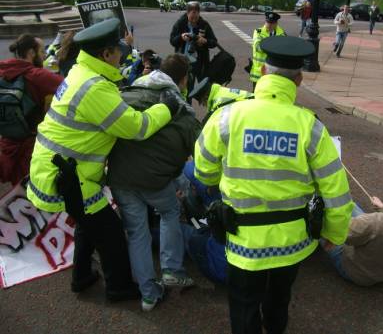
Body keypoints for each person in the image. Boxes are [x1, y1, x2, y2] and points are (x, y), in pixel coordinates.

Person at [194, 36, 353, 334]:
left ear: (263, 72)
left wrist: (218, 182)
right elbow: (337, 192)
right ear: (299, 79)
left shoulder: (227, 117)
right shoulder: (311, 126)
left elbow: (203, 171)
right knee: (279, 301)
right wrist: (334, 234)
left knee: (243, 305)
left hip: (243, 240)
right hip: (291, 242)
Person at [26, 18, 180, 301]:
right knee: (110, 234)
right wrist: (167, 108)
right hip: (70, 176)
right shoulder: (95, 88)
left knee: (88, 223)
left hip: (56, 167)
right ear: (106, 54)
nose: (123, 53)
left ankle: (81, 277)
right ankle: (119, 288)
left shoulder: (81, 71)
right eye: (118, 49)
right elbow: (137, 127)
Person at [107, 53, 200, 311]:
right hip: (155, 181)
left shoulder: (125, 95)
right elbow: (203, 153)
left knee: (137, 233)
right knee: (170, 210)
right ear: (182, 81)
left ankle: (148, 294)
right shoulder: (183, 112)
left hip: (121, 178)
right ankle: (171, 268)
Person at [0, 34, 63, 186]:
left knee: (15, 195)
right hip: (31, 146)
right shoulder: (36, 75)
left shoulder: (3, 70)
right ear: (31, 53)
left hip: (7, 141)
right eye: (41, 52)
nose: (44, 56)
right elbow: (71, 86)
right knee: (31, 191)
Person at [169, 1, 218, 93]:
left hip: (200, 62)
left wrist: (205, 41)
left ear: (199, 13)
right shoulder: (180, 23)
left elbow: (214, 42)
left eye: (196, 17)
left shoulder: (204, 24)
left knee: (205, 90)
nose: (194, 20)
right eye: (192, 17)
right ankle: (187, 106)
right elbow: (172, 41)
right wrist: (181, 37)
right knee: (187, 90)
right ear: (187, 13)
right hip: (183, 62)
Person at [249, 12, 286, 91]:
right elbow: (258, 47)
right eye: (267, 22)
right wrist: (275, 47)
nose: (269, 25)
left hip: (274, 73)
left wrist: (268, 46)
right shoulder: (258, 32)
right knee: (256, 96)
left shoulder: (282, 34)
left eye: (271, 23)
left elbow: (283, 50)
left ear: (276, 23)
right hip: (258, 73)